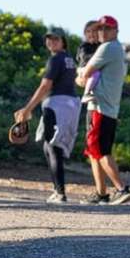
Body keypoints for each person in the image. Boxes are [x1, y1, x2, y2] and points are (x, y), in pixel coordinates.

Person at [14, 28, 81, 203]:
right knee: (49, 146)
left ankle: (60, 193)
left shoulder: (55, 59)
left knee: (52, 147)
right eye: (49, 39)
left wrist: (27, 109)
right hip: (71, 103)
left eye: (55, 39)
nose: (51, 42)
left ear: (63, 41)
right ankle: (57, 190)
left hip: (57, 104)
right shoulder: (69, 59)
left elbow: (45, 86)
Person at [77, 15, 130, 205]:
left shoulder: (108, 47)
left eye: (106, 29)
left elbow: (86, 73)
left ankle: (121, 189)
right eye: (100, 29)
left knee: (100, 151)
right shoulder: (116, 49)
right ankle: (101, 193)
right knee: (94, 151)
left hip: (100, 107)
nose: (102, 32)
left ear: (115, 31)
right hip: (104, 107)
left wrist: (80, 78)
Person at [76, 20, 101, 104]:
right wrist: (96, 56)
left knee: (96, 75)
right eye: (88, 31)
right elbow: (83, 57)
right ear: (85, 34)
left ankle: (90, 92)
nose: (91, 33)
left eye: (94, 31)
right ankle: (86, 94)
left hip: (92, 68)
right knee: (96, 74)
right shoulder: (84, 45)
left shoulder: (100, 45)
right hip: (84, 67)